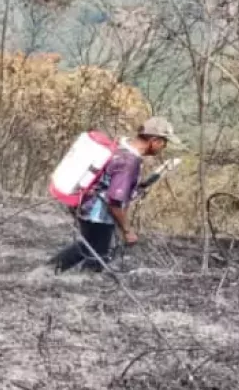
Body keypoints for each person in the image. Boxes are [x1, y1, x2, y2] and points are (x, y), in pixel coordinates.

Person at [53, 116, 180, 273]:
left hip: (86, 206)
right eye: (164, 142)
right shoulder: (130, 161)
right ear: (154, 140)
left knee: (88, 248)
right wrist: (127, 230)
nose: (163, 147)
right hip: (98, 215)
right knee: (97, 257)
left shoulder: (121, 147)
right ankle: (53, 275)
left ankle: (48, 272)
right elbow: (114, 201)